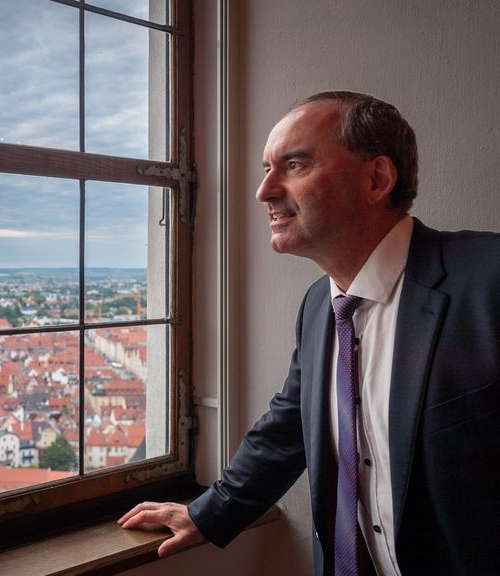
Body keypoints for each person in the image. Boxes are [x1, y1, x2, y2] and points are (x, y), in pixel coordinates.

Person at [119, 91, 500, 575]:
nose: (265, 191)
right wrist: (208, 512)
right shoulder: (321, 304)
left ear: (377, 179)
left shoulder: (488, 280)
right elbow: (291, 425)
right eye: (266, 168)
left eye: (294, 164)